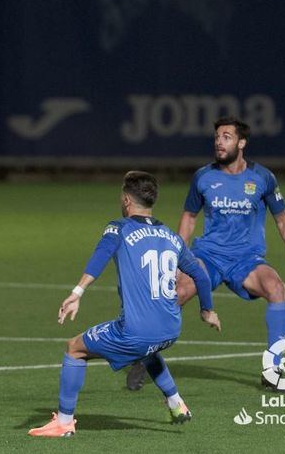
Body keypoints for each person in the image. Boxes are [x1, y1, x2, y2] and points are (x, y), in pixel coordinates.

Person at [126, 116, 285, 392]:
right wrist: (176, 262)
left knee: (276, 287)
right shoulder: (203, 177)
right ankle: (144, 356)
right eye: (217, 136)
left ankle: (274, 367)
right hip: (209, 257)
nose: (219, 141)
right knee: (176, 291)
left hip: (247, 260)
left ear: (242, 143)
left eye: (226, 137)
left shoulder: (262, 178)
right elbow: (189, 219)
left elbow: (282, 221)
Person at [28, 171, 220, 438]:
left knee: (74, 348)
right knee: (148, 350)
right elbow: (199, 273)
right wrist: (207, 311)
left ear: (127, 200)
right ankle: (176, 403)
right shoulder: (171, 236)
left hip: (137, 331)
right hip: (170, 330)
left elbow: (101, 255)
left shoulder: (119, 228)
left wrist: (77, 292)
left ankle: (63, 422)